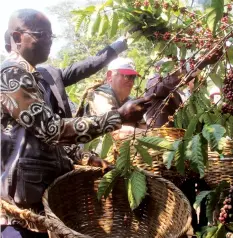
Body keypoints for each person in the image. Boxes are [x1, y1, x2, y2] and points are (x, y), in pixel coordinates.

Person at [0, 9, 153, 237]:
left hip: (40, 198)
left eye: (52, 36)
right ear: (17, 37)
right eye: (42, 34)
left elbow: (45, 140)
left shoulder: (38, 77)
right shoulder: (11, 75)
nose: (49, 42)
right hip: (21, 209)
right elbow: (51, 131)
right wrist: (117, 117)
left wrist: (84, 157)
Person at [144, 52, 222, 128]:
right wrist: (201, 63)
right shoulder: (153, 82)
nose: (172, 69)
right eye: (167, 66)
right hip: (157, 130)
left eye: (173, 66)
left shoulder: (177, 90)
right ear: (157, 68)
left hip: (172, 132)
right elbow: (165, 83)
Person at [84, 57, 146, 140]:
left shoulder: (130, 101)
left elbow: (144, 126)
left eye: (133, 77)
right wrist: (149, 136)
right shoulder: (99, 97)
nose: (131, 81)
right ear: (110, 76)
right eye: (126, 76)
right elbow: (116, 132)